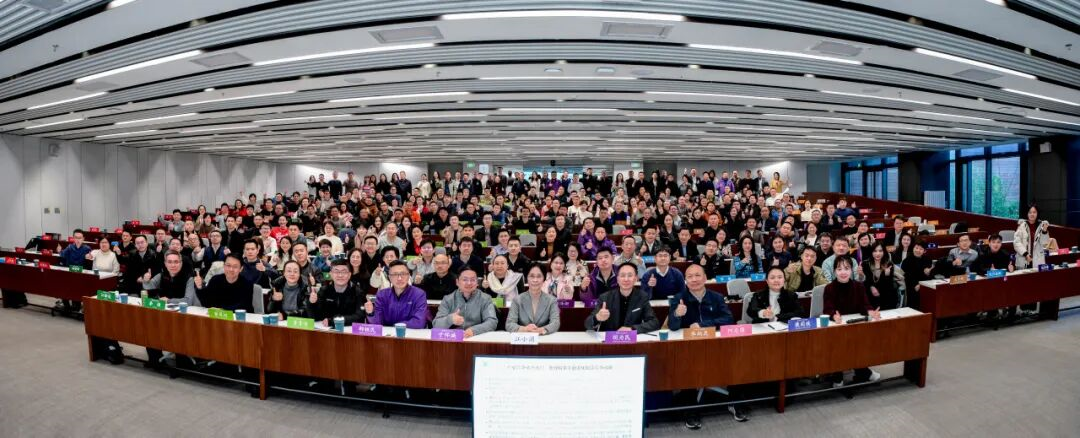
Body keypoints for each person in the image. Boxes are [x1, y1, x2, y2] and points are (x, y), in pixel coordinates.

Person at [821, 256, 882, 387]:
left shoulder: (858, 286)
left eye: (846, 268)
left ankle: (862, 371)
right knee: (839, 343)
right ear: (834, 271)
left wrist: (870, 312)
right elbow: (828, 309)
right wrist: (833, 315)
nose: (843, 272)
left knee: (858, 341)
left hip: (855, 326)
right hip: (837, 327)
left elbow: (865, 305)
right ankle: (838, 375)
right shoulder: (829, 288)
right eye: (839, 269)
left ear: (851, 270)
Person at [141, 251, 197, 369]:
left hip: (183, 316)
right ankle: (155, 361)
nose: (173, 265)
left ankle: (182, 365)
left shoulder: (189, 278)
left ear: (181, 263)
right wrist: (145, 280)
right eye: (170, 262)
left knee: (177, 332)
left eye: (176, 262)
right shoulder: (162, 275)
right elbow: (148, 286)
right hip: (165, 313)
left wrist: (169, 300)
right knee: (150, 328)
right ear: (165, 263)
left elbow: (188, 301)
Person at [585, 263, 660, 333]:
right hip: (610, 339)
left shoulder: (642, 297)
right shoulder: (605, 297)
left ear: (635, 279)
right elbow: (587, 323)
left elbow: (654, 322)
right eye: (622, 275)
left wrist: (632, 329)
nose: (626, 279)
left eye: (630, 275)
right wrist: (597, 318)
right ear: (617, 279)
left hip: (632, 339)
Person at [432, 267, 498, 338]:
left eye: (472, 280)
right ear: (457, 282)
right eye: (465, 279)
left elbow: (492, 322)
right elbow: (436, 324)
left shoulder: (485, 299)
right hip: (453, 339)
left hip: (476, 337)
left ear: (477, 283)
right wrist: (450, 319)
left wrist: (474, 330)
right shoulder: (448, 299)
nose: (469, 283)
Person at [364, 261, 429, 328]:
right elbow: (377, 323)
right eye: (395, 274)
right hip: (387, 333)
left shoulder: (419, 294)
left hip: (410, 333)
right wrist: (371, 313)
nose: (399, 278)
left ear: (408, 276)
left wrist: (396, 326)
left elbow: (419, 322)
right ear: (389, 277)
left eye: (403, 274)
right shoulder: (382, 295)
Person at [667, 264, 734, 328]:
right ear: (686, 280)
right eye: (690, 277)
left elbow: (729, 319)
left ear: (705, 278)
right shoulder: (679, 298)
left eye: (697, 275)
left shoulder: (717, 297)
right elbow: (672, 326)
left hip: (712, 334)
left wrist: (702, 325)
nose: (694, 280)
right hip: (688, 335)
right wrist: (676, 314)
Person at [308, 260, 367, 327]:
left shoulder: (357, 292)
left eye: (344, 272)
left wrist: (334, 321)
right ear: (331, 274)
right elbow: (315, 317)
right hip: (326, 330)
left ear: (349, 275)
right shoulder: (324, 290)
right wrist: (312, 303)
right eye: (336, 272)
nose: (340, 275)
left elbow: (360, 317)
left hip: (349, 330)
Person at [862, 242, 900, 310]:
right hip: (870, 296)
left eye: (880, 251)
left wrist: (886, 275)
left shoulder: (889, 264)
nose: (878, 253)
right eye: (875, 251)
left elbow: (889, 285)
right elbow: (866, 281)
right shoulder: (865, 264)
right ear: (871, 252)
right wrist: (871, 287)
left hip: (886, 296)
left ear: (884, 252)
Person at [1013, 205, 1052, 269]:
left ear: (1037, 213)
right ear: (1027, 214)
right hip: (1023, 259)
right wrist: (1025, 254)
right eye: (1030, 212)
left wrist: (1044, 231)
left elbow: (1044, 243)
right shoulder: (1022, 225)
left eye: (1034, 212)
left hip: (1037, 260)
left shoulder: (1041, 225)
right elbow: (1016, 242)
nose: (1032, 214)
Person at [900, 240, 933, 309]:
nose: (918, 250)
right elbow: (907, 276)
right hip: (911, 285)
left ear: (924, 251)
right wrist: (916, 285)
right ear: (913, 248)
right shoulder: (907, 260)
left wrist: (928, 274)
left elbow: (929, 275)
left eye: (921, 249)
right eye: (916, 248)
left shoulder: (928, 260)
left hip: (925, 284)